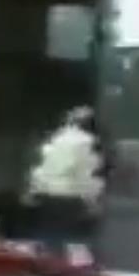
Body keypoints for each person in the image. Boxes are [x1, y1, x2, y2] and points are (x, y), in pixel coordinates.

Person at [24, 106, 104, 265]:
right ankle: (75, 270)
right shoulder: (87, 142)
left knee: (52, 237)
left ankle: (52, 266)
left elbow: (42, 168)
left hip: (49, 193)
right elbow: (86, 174)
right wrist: (92, 200)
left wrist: (33, 190)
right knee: (75, 237)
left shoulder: (55, 139)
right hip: (70, 195)